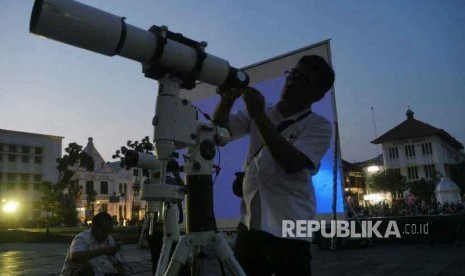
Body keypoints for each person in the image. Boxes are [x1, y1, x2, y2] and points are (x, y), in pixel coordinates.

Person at [213, 55, 335, 275]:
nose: (292, 81)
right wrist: (227, 99)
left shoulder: (319, 126)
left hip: (292, 229)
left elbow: (290, 162)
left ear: (318, 95)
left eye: (303, 80)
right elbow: (219, 133)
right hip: (251, 223)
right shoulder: (265, 111)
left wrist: (258, 115)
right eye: (293, 74)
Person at [60, 212, 126, 276]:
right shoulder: (82, 238)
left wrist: (118, 266)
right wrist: (102, 251)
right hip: (75, 273)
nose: (106, 235)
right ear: (94, 228)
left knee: (118, 269)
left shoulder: (108, 238)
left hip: (97, 272)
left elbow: (114, 262)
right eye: (104, 231)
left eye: (109, 231)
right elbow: (75, 256)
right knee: (86, 270)